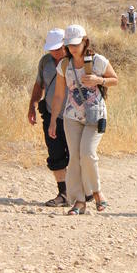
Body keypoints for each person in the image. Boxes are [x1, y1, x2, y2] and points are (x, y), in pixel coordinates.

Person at [49, 24, 118, 216]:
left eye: (75, 44)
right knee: (75, 158)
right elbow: (58, 95)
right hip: (71, 117)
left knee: (87, 153)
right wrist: (53, 120)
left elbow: (115, 79)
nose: (72, 48)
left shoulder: (98, 61)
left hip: (95, 114)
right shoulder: (63, 65)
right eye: (69, 45)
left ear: (84, 42)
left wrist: (99, 80)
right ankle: (79, 201)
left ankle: (97, 193)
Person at [28, 29, 70, 207]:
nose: (54, 52)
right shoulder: (45, 62)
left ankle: (84, 191)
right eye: (51, 49)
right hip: (52, 115)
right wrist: (32, 105)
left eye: (58, 48)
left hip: (74, 117)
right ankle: (64, 193)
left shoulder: (75, 61)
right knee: (55, 154)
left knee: (77, 155)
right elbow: (39, 85)